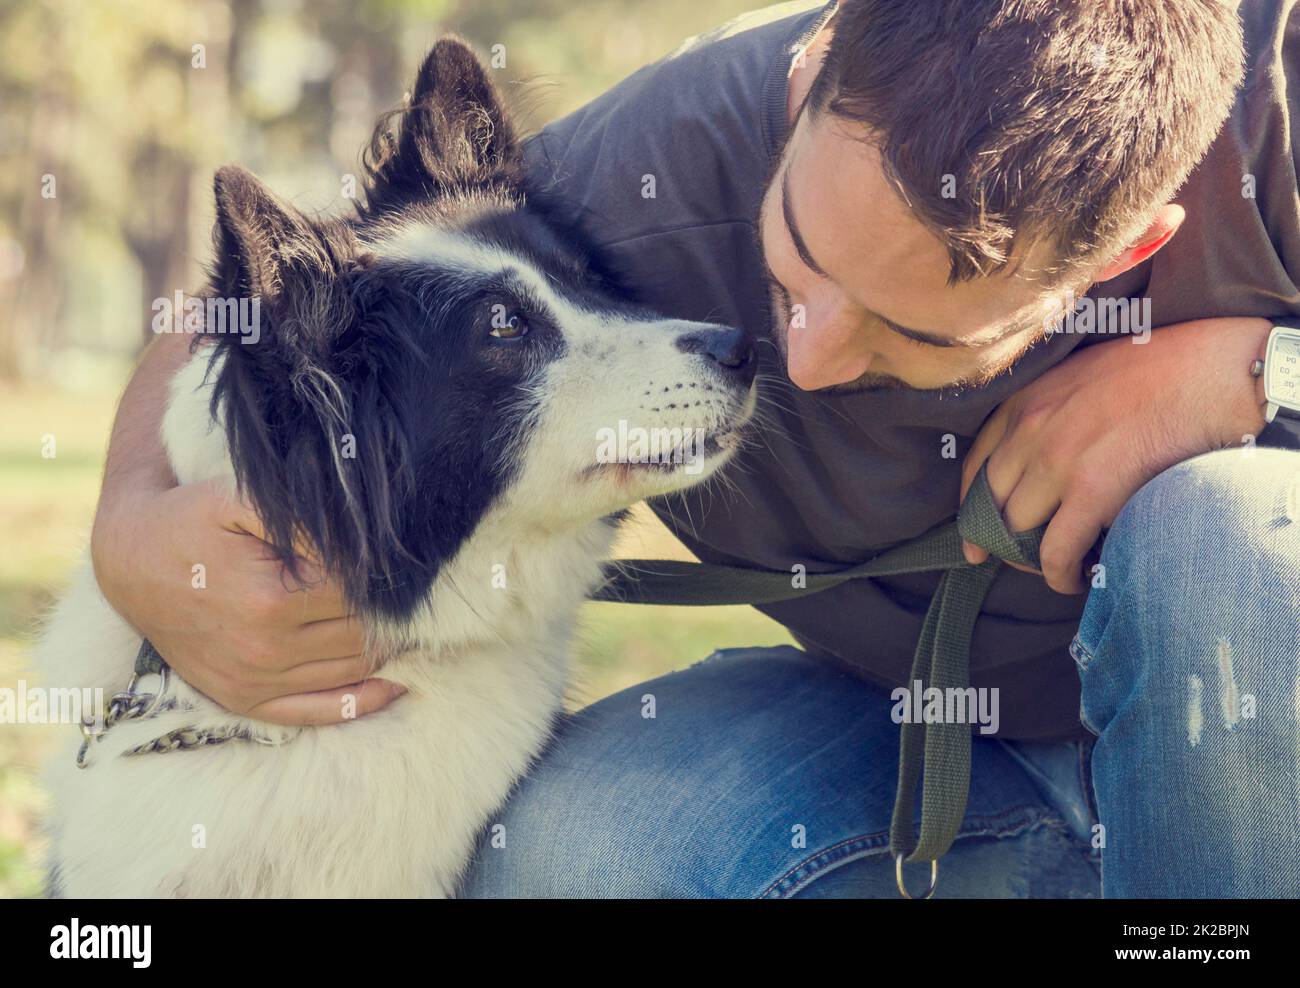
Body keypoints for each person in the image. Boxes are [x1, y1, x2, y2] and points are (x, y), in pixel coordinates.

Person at [91, 0, 1300, 897]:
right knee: (553, 860)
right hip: (929, 752)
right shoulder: (651, 164)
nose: (808, 358)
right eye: (797, 259)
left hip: (1258, 768)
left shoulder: (1277, 111)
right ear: (814, 74)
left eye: (907, 332)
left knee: (1227, 542)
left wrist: (1246, 372)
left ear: (1125, 252)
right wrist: (129, 525)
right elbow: (320, 277)